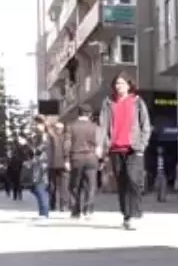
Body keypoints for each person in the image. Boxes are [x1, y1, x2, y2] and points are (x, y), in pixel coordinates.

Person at [98, 72, 151, 229]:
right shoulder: (108, 102)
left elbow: (145, 125)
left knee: (133, 179)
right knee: (121, 182)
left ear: (129, 85)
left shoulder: (137, 101)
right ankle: (126, 215)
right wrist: (101, 144)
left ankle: (135, 212)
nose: (118, 86)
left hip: (133, 148)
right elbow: (103, 125)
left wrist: (142, 145)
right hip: (115, 148)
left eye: (121, 83)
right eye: (116, 83)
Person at [64, 106, 102, 219]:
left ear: (78, 113)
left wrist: (66, 159)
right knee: (90, 185)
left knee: (74, 186)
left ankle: (76, 211)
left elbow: (67, 144)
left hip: (76, 158)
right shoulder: (95, 127)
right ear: (89, 114)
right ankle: (88, 210)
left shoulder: (71, 126)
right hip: (91, 158)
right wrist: (101, 159)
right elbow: (100, 144)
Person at [27, 117, 51, 221]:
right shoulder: (40, 136)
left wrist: (28, 145)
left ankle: (44, 213)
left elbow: (40, 150)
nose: (36, 126)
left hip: (42, 166)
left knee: (39, 188)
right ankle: (43, 212)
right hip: (40, 164)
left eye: (37, 124)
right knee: (37, 188)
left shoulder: (45, 136)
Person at [47, 119, 69, 213]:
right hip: (64, 164)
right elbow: (67, 149)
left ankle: (52, 205)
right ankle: (64, 206)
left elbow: (48, 130)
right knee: (64, 186)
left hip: (52, 164)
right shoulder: (66, 137)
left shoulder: (52, 137)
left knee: (53, 186)